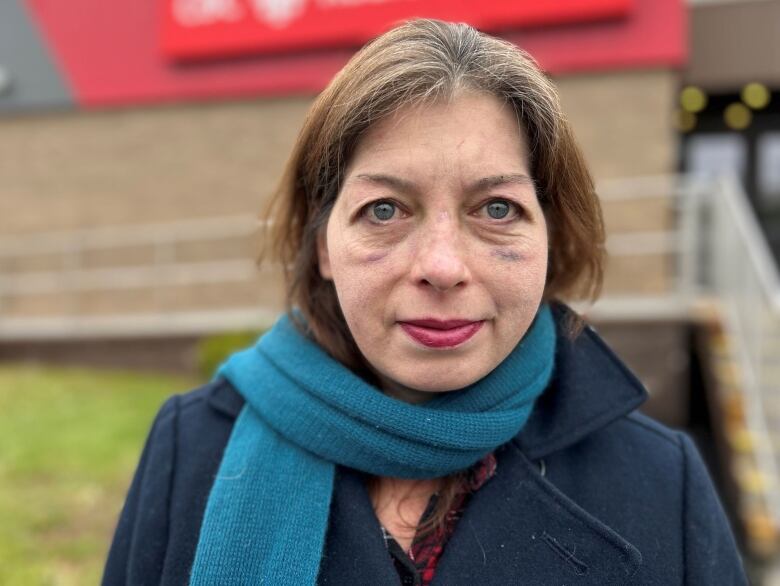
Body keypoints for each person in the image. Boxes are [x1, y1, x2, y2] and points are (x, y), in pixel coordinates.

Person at [103, 19, 747, 585]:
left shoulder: (665, 482)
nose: (441, 266)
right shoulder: (191, 446)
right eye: (384, 209)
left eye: (497, 208)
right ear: (323, 245)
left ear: (551, 235)